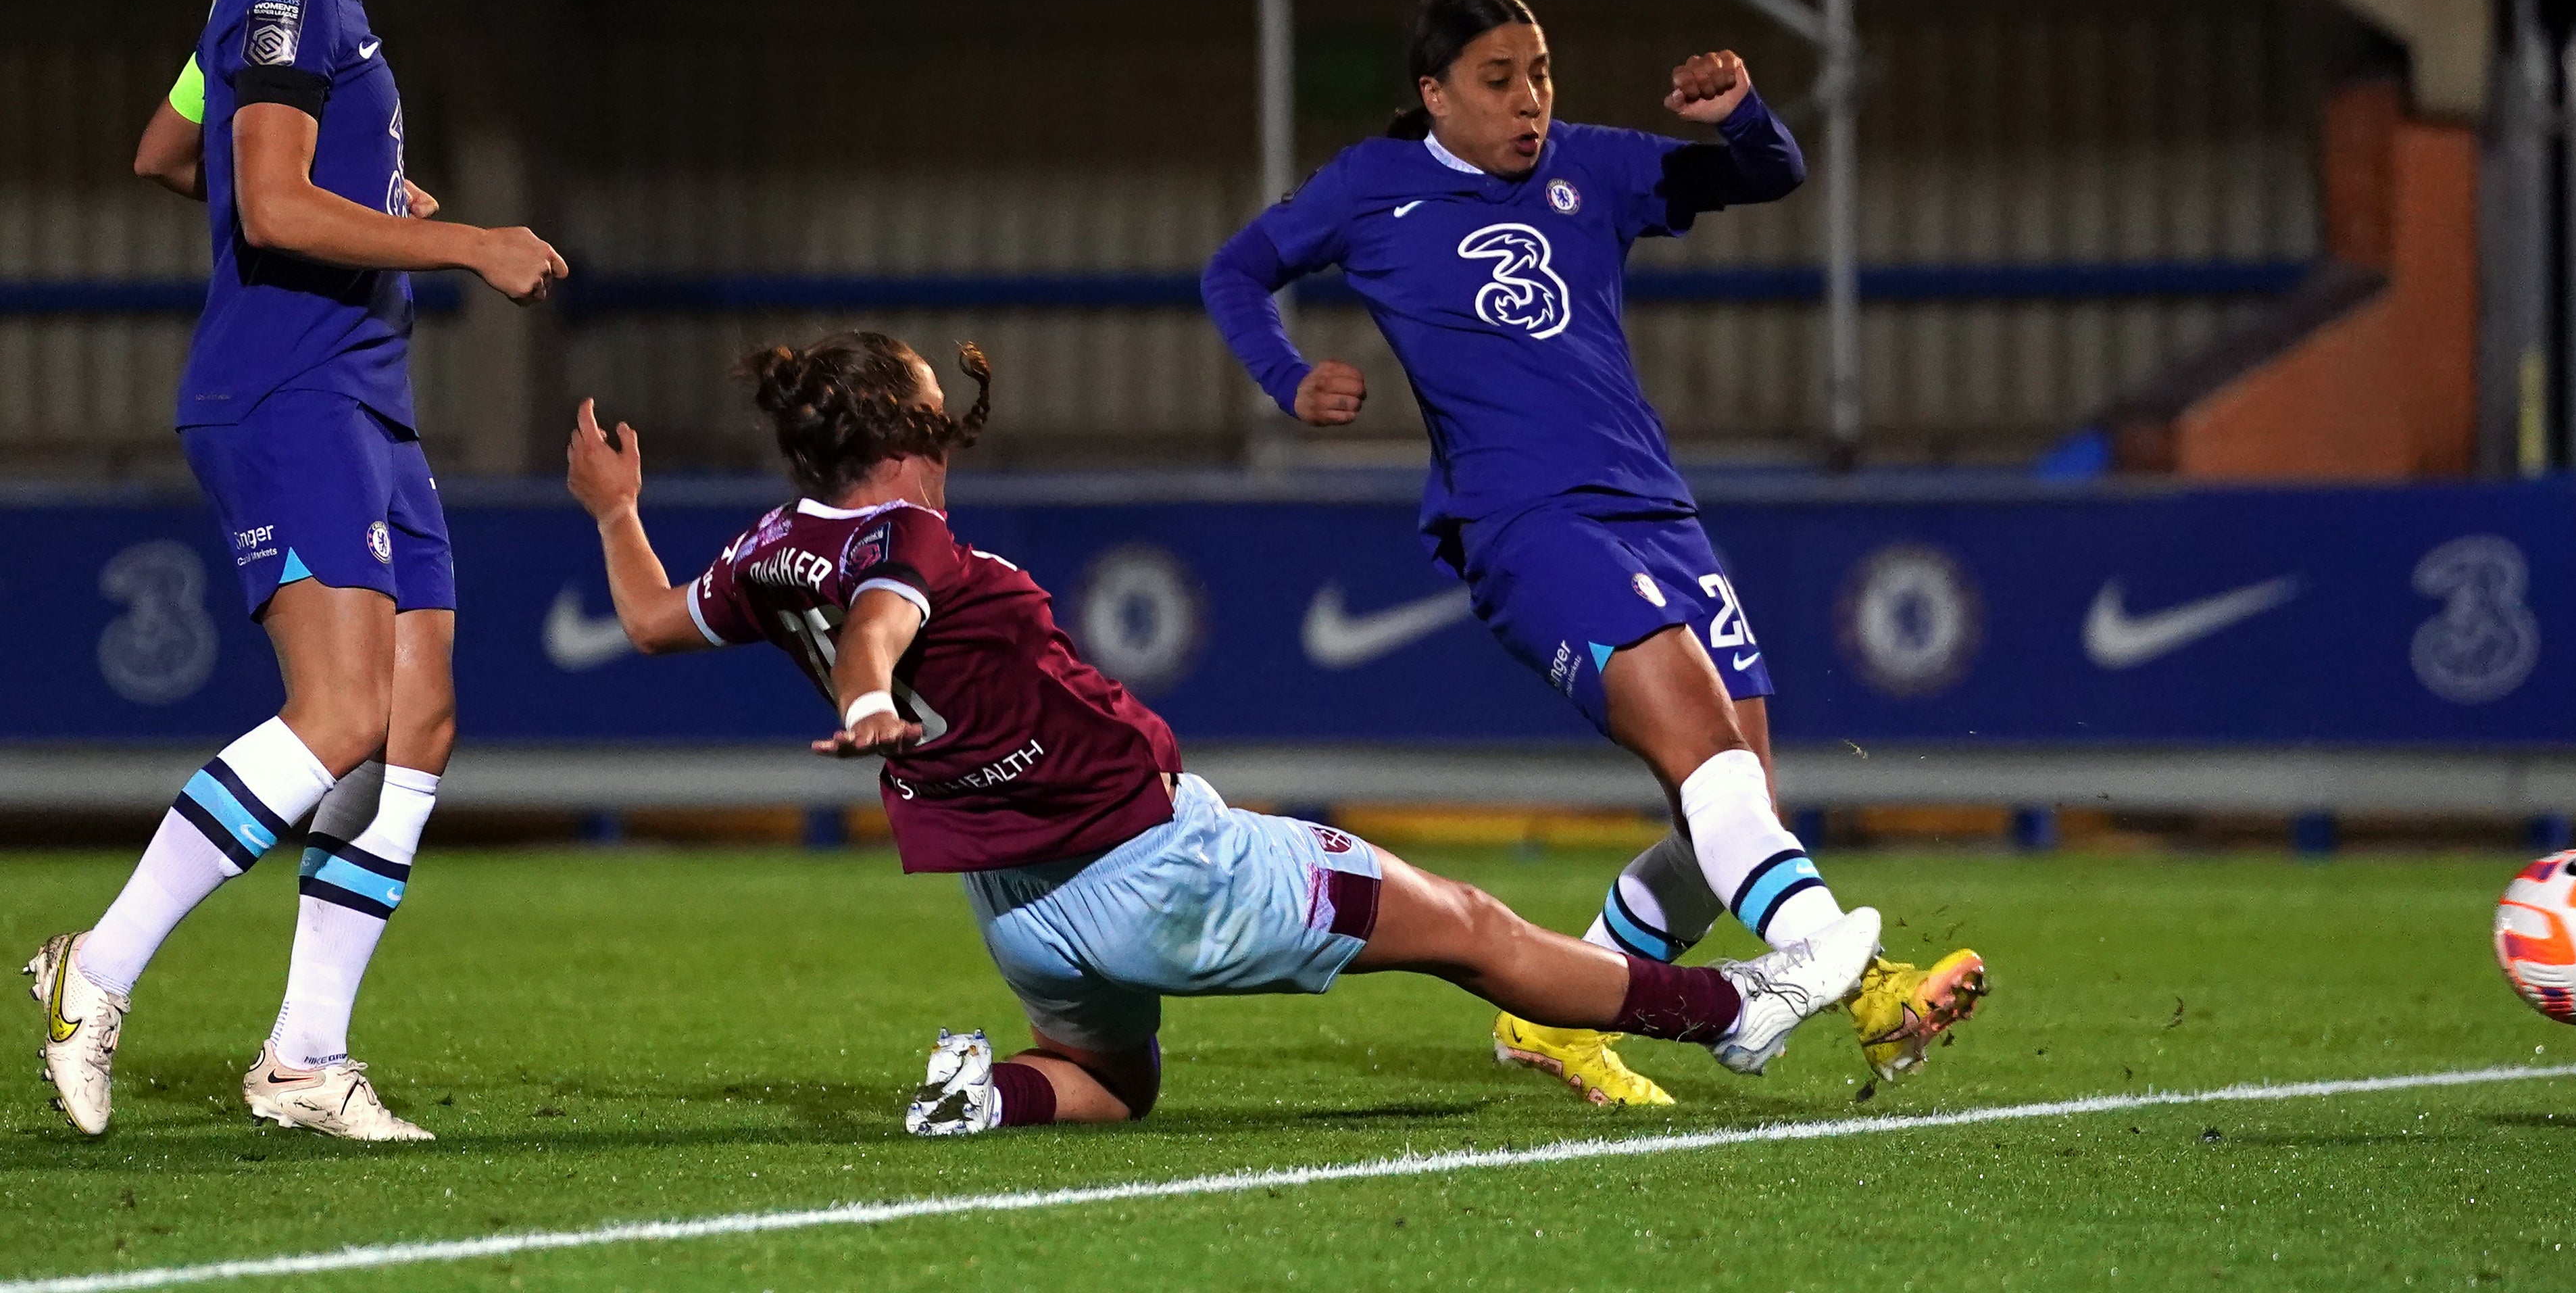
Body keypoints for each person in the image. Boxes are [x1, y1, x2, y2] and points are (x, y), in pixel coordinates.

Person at [562, 330, 1883, 1133]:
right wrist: (862, 694)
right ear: (911, 423)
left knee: (1109, 1080)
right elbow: (882, 623)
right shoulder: (906, 541)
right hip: (1159, 868)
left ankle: (986, 1094)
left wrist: (616, 512)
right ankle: (1728, 1006)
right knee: (1472, 929)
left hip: (1021, 908)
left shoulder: (773, 548)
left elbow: (648, 622)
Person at [1201, 0, 1987, 1108]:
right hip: (1525, 522)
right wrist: (1285, 378)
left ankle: (1548, 1018)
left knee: (1735, 806)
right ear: (1432, 95)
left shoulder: (1591, 166)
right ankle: (1866, 987)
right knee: (1711, 772)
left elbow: (1767, 174)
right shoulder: (1372, 188)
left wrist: (1744, 115)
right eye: (1497, 80)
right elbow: (1233, 270)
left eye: (1540, 73)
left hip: (1655, 512)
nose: (1529, 101)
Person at [27, 0, 568, 1142]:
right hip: (288, 391)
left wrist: (373, 189)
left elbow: (167, 148)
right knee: (336, 719)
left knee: (416, 720)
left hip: (361, 394)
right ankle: (99, 967)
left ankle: (304, 1058)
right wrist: (461, 240)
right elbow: (265, 210)